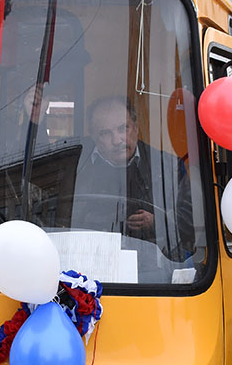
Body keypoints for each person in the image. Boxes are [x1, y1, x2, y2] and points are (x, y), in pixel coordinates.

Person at [71, 95, 195, 260]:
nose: (117, 140)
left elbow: (191, 220)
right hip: (93, 261)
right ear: (94, 137)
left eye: (123, 128)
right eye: (106, 133)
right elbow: (65, 220)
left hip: (160, 265)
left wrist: (157, 221)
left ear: (136, 128)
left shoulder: (169, 166)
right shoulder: (77, 168)